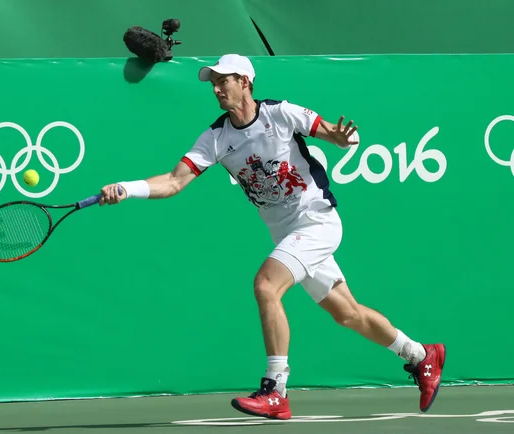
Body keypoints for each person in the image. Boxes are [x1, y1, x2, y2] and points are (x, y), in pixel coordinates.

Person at [99, 54, 446, 420]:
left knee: (266, 285)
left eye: (224, 81)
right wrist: (127, 187)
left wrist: (344, 138)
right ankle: (422, 355)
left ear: (245, 82)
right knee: (348, 314)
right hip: (287, 234)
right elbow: (174, 181)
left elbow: (336, 134)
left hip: (316, 221)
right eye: (213, 82)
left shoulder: (280, 114)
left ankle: (276, 389)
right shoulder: (215, 138)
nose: (216, 89)